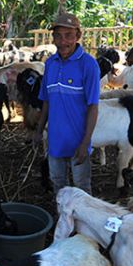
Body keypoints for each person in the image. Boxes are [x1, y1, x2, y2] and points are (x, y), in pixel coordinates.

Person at [33, 12, 100, 196]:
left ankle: (82, 225)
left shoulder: (88, 65)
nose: (63, 42)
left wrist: (85, 142)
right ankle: (64, 221)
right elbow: (47, 100)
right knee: (58, 185)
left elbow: (93, 106)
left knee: (81, 188)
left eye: (68, 36)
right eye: (58, 36)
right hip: (55, 140)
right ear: (53, 38)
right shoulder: (50, 64)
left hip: (78, 140)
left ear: (78, 36)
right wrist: (39, 131)